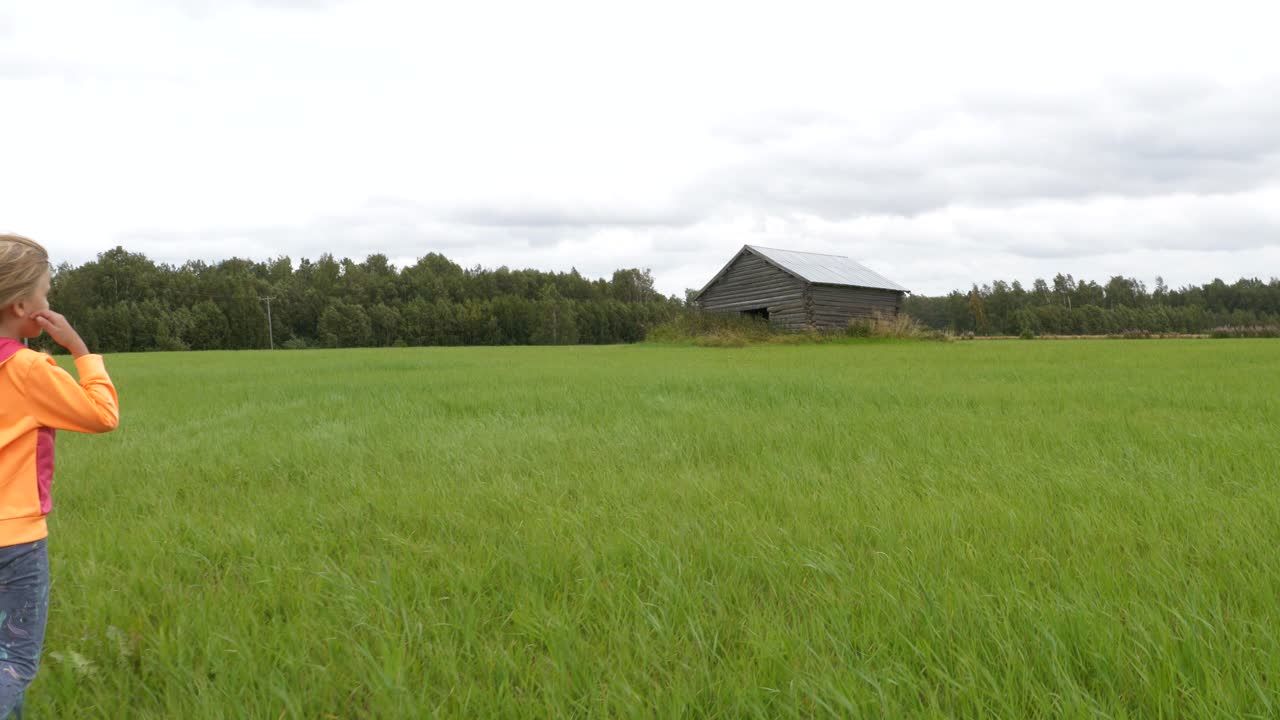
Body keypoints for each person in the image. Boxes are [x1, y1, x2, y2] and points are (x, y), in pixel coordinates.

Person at [0, 234, 119, 718]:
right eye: (46, 293)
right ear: (23, 304)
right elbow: (101, 415)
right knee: (13, 663)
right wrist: (78, 348)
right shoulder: (28, 369)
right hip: (16, 541)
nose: (50, 303)